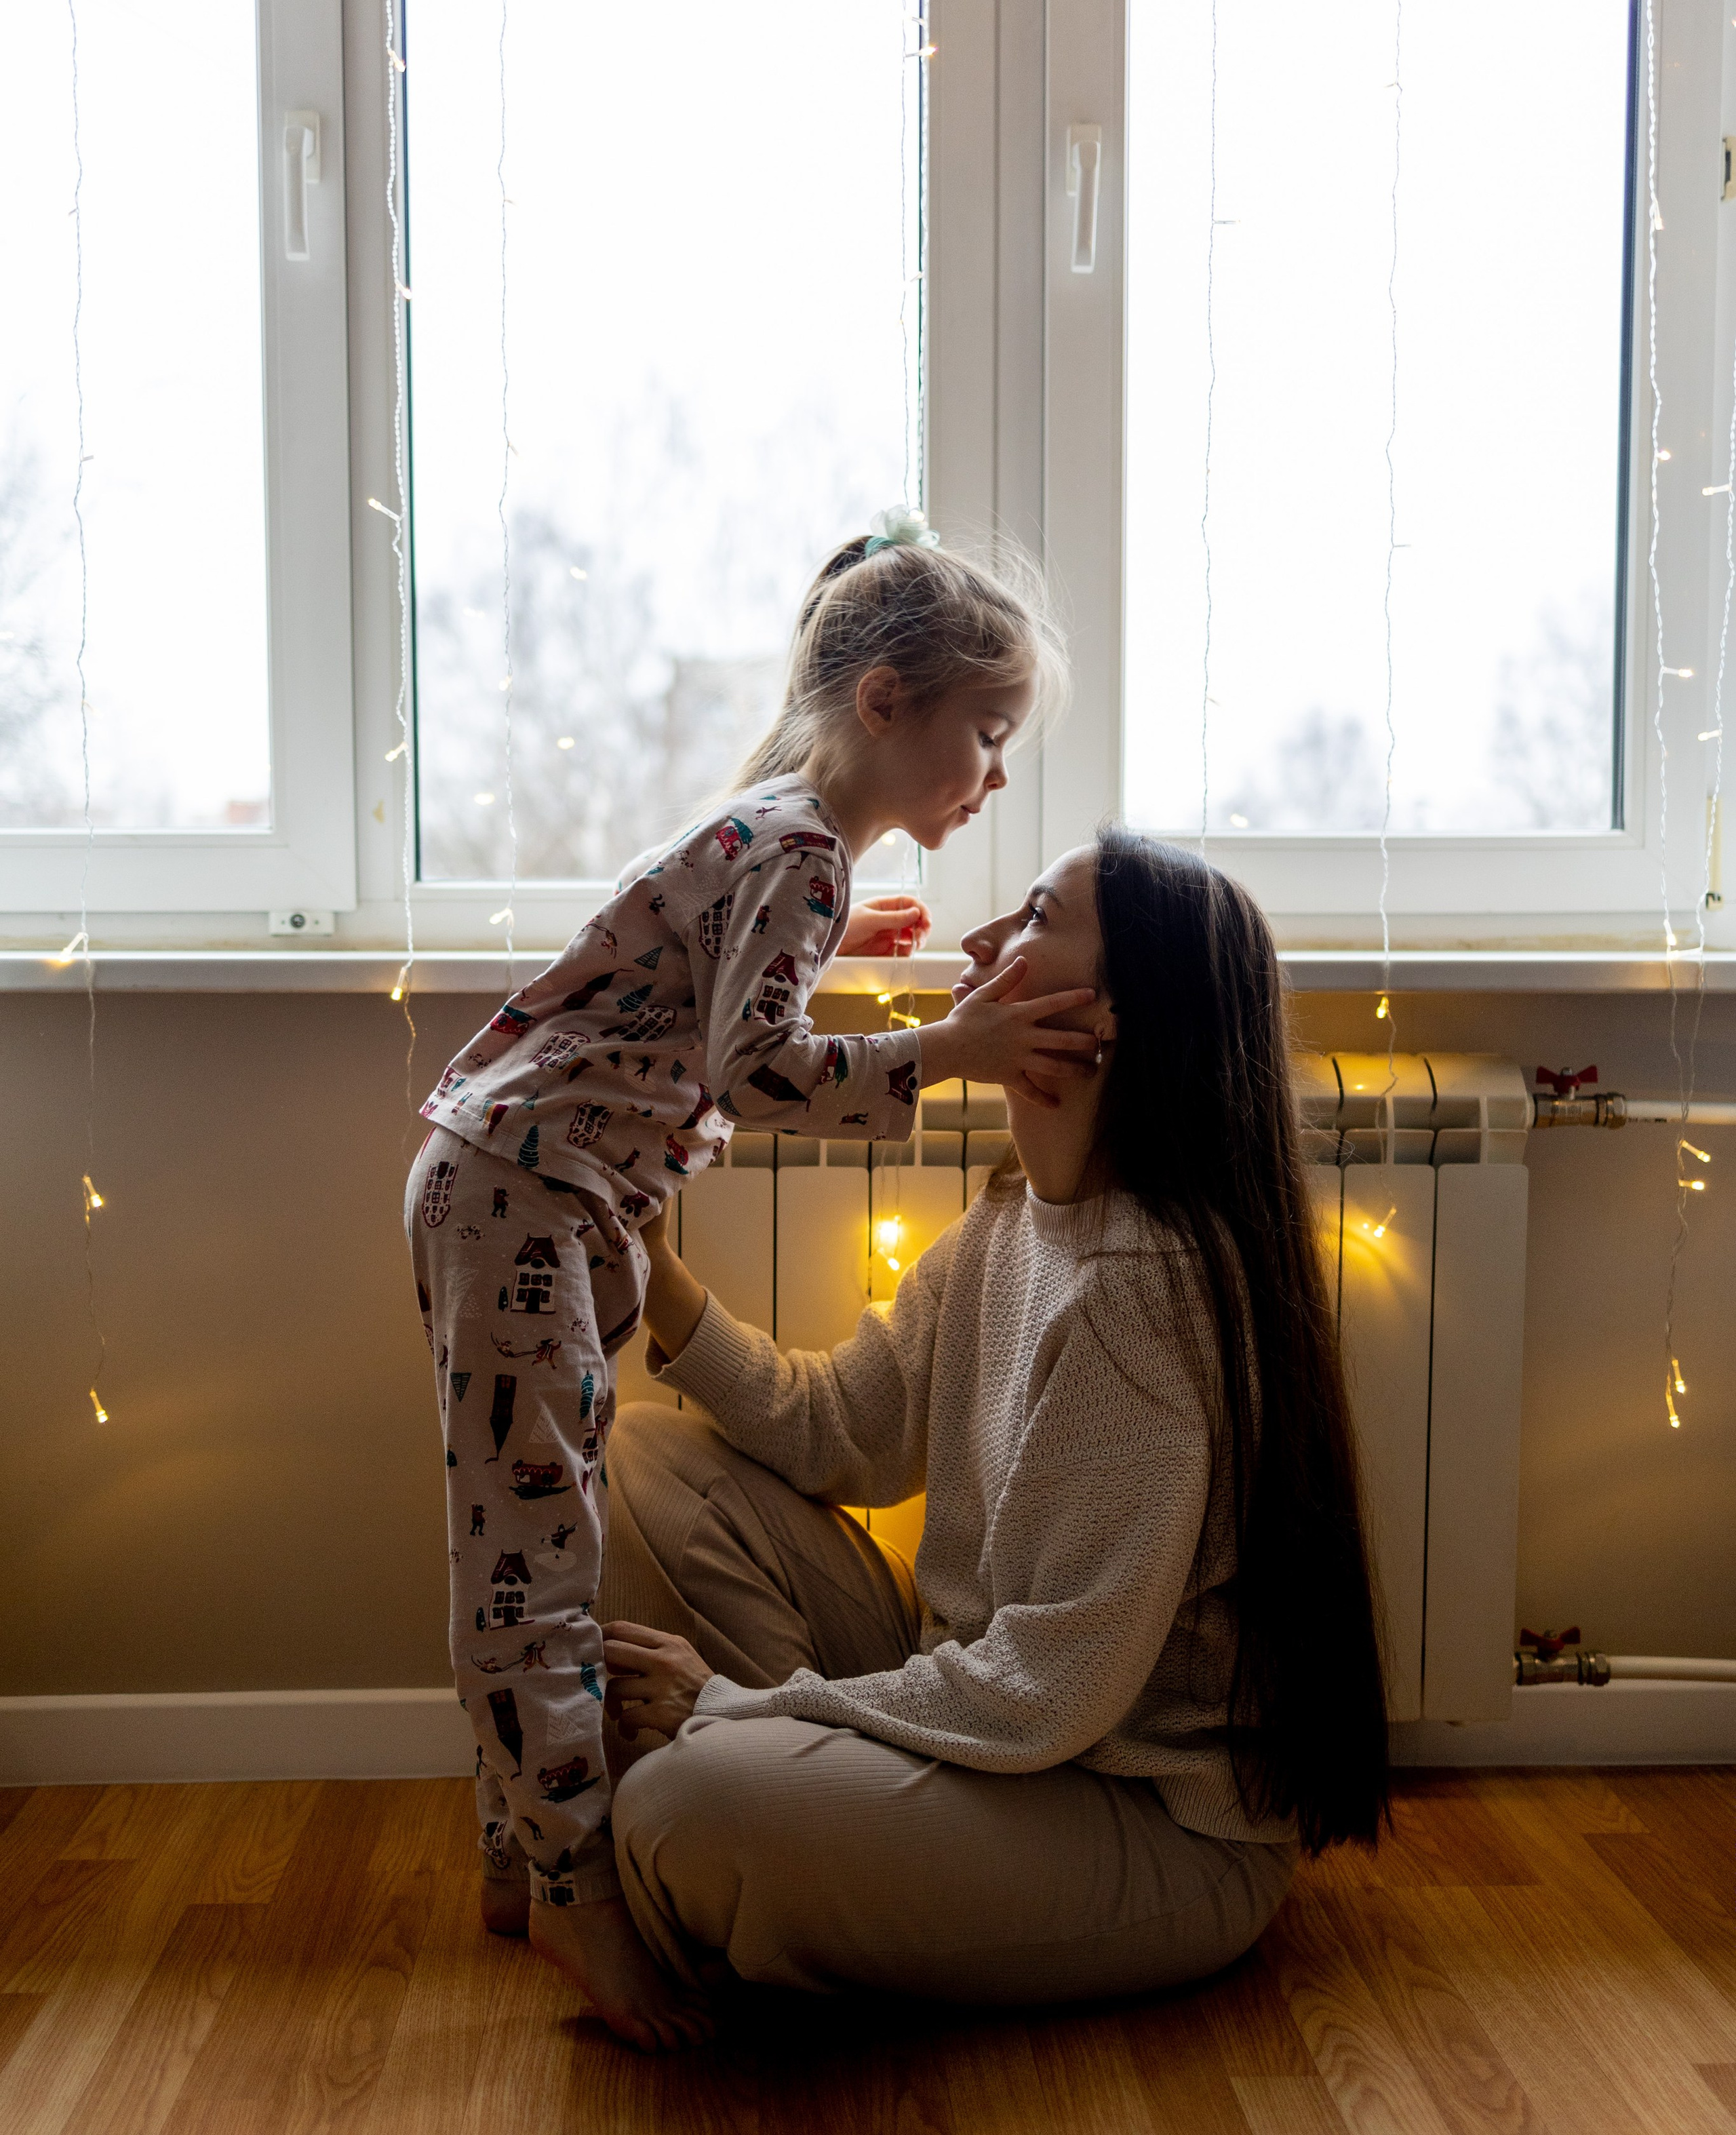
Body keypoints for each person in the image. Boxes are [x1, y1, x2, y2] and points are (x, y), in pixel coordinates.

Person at [404, 510, 1096, 2049]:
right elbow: (764, 1075)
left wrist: (847, 953)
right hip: (527, 1195)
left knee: (524, 1528)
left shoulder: (788, 840)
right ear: (883, 703)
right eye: (983, 737)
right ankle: (578, 1897)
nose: (989, 777)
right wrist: (954, 1048)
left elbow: (699, 1003)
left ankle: (518, 1865)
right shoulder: (793, 847)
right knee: (536, 1552)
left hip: (532, 1191)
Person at [594, 829, 1391, 2023]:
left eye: (1027, 919)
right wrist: (653, 1266)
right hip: (984, 1714)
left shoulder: (1138, 1290)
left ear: (1101, 1018)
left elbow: (1045, 1695)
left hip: (1133, 1815)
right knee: (646, 1454)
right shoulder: (1011, 1223)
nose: (974, 943)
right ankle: (805, 1804)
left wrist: (736, 1707)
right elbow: (837, 1433)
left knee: (682, 1810)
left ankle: (762, 1813)